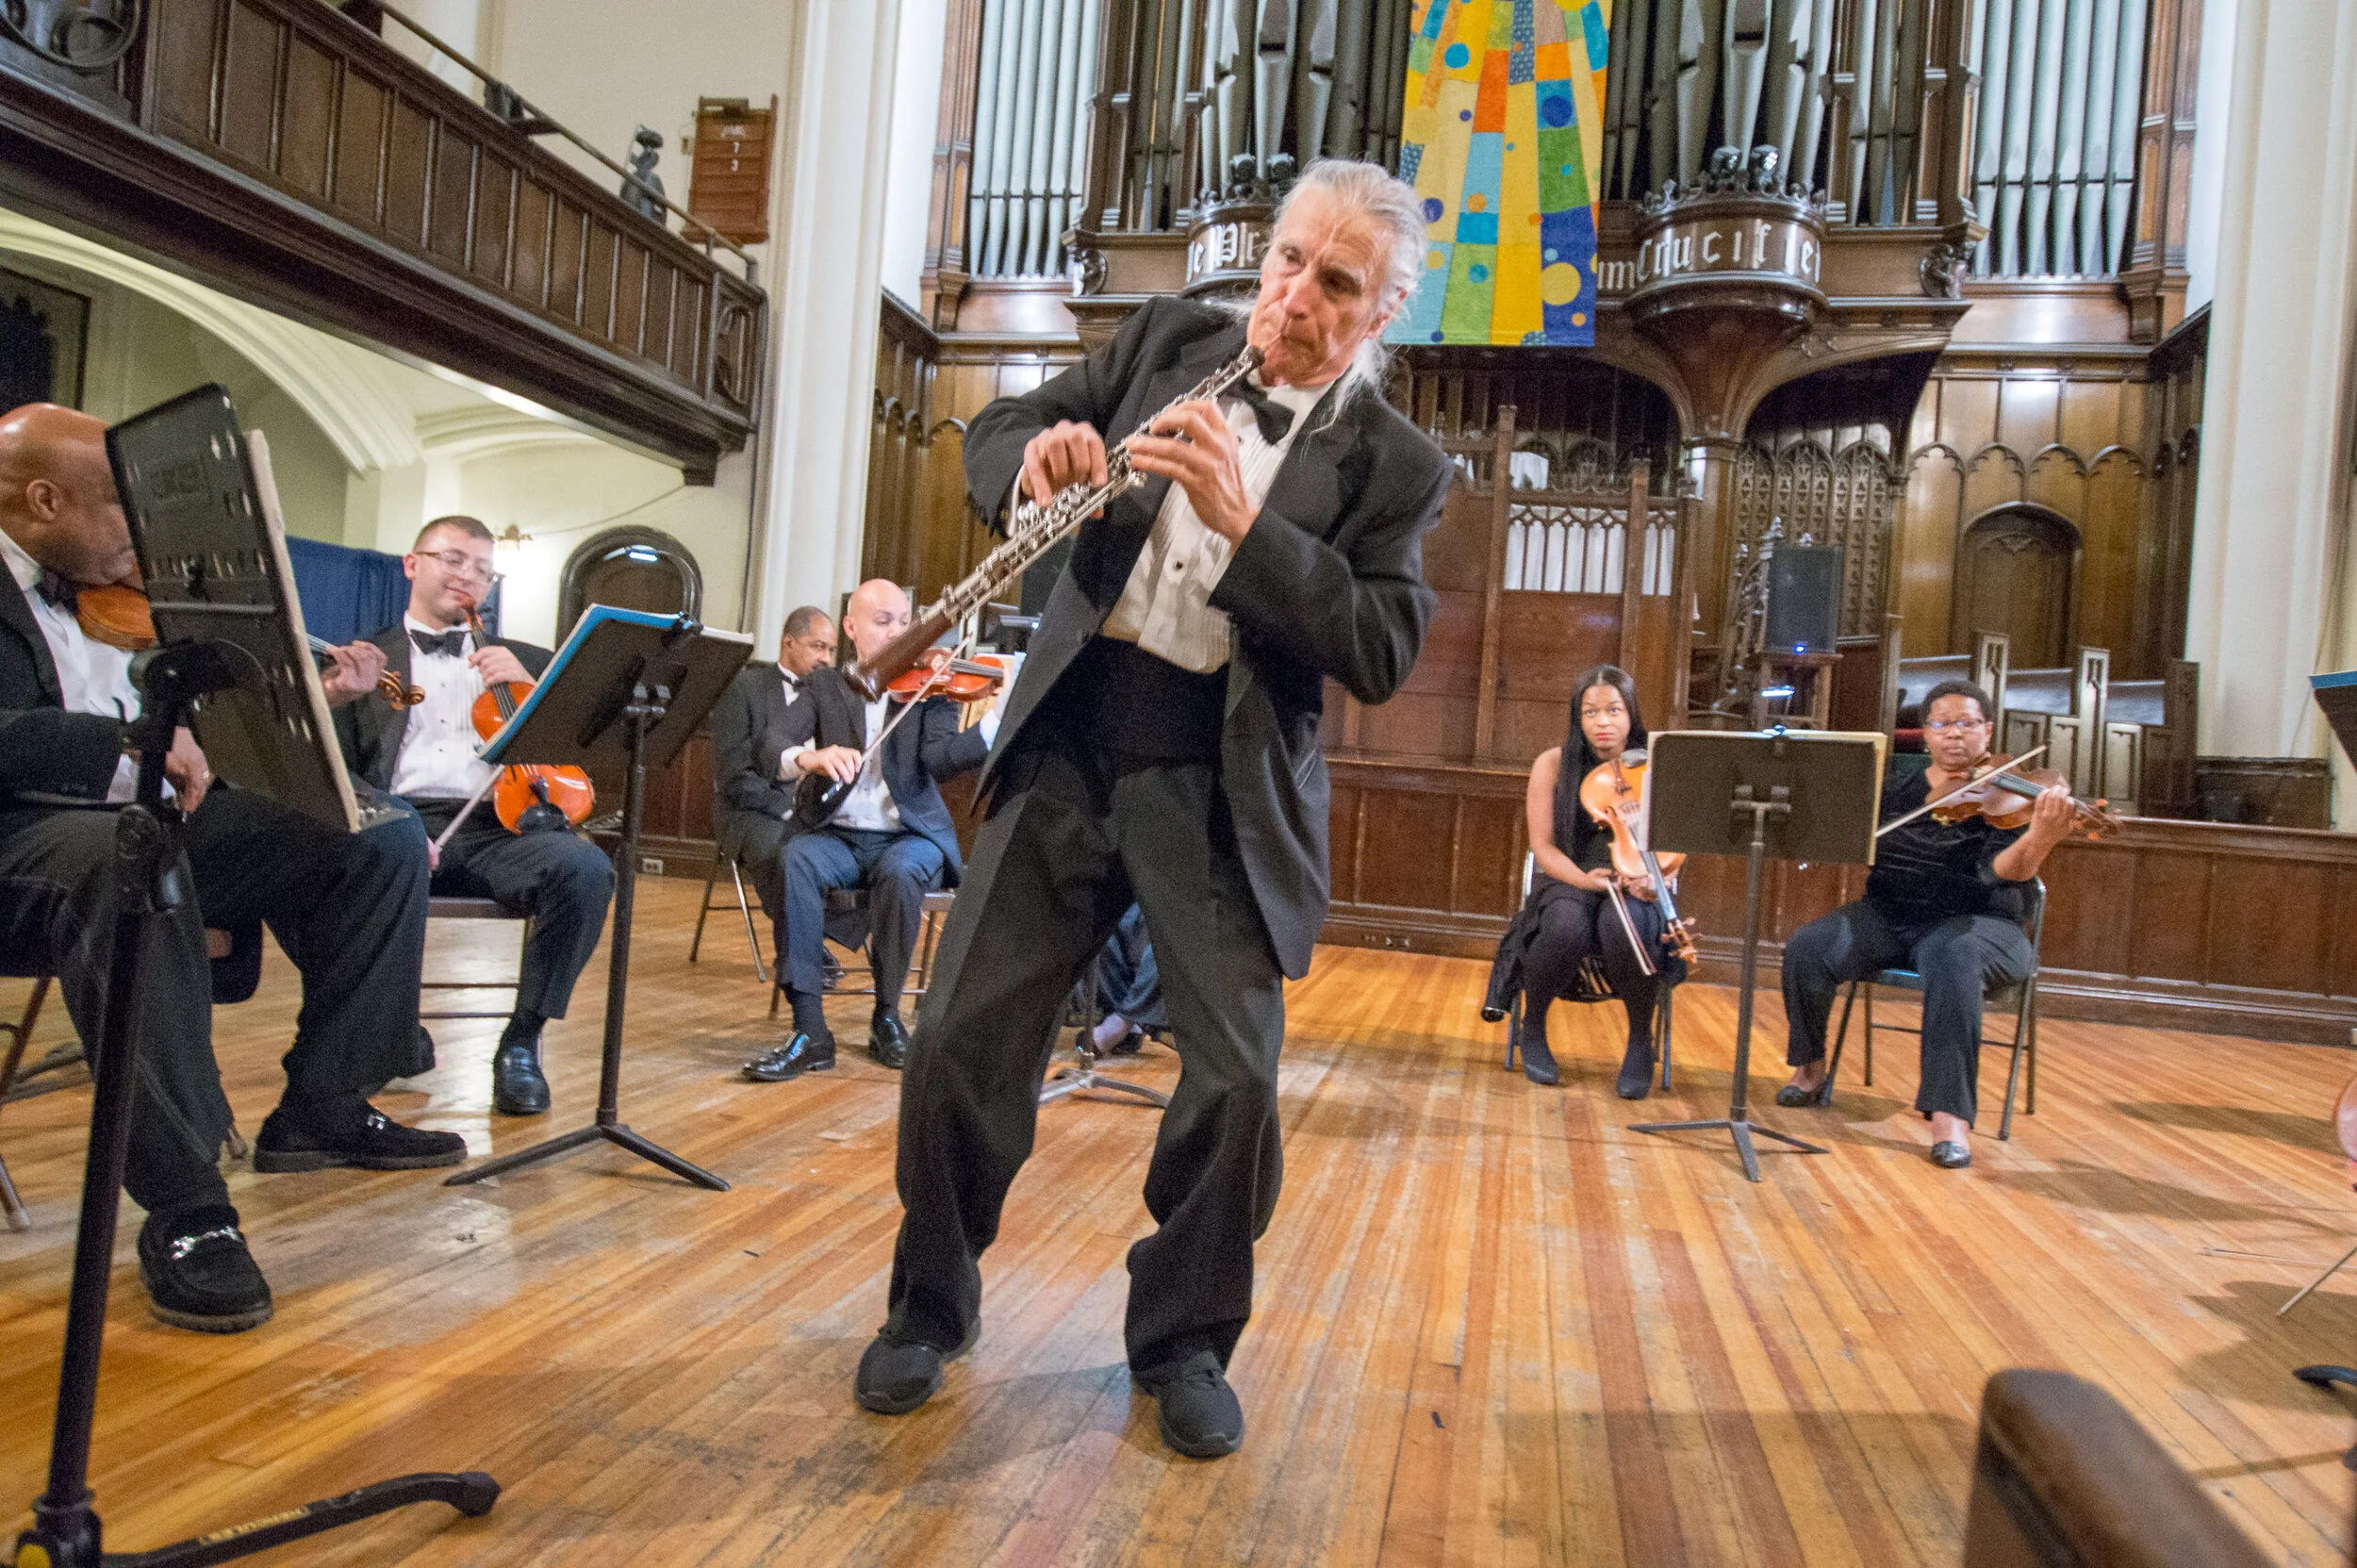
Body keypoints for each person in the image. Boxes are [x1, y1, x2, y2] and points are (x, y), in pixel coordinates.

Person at [853, 158, 1449, 1461]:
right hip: (1074, 735)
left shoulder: (1394, 463)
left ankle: (1182, 1340)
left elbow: (1381, 644)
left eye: (1333, 284)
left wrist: (1249, 530)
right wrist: (1037, 467)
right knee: (955, 1036)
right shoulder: (1167, 340)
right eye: (1288, 260)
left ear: (1381, 312)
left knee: (1235, 1081)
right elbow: (996, 429)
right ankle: (927, 1302)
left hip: (1218, 785)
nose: (1291, 299)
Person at [0, 404, 461, 1334]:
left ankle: (325, 1106)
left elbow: (215, 733)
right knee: (128, 858)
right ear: (43, 498)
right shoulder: (393, 639)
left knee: (373, 833)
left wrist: (322, 694)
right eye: (123, 516)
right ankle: (186, 1206)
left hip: (157, 814)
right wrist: (123, 746)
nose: (141, 543)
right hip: (30, 831)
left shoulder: (124, 593)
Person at [333, 516, 617, 1117]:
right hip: (397, 822)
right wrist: (392, 824)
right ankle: (374, 1036)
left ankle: (521, 1041)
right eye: (455, 560)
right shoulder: (362, 657)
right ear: (412, 564)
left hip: (501, 826)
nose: (469, 578)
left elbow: (580, 749)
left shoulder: (529, 659)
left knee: (586, 869)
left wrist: (534, 690)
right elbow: (336, 768)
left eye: (483, 570)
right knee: (343, 871)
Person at [1776, 678, 2073, 1168]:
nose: (1954, 734)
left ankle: (1949, 1116)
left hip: (1981, 925)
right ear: (1925, 734)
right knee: (1809, 946)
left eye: (1967, 723)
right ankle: (1809, 1068)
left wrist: (2041, 836)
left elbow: (2004, 873)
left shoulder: (2009, 796)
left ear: (1988, 730)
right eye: (1942, 724)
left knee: (1952, 956)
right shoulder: (1896, 784)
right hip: (1889, 914)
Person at [739, 579, 996, 1083]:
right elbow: (771, 743)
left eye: (906, 622)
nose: (899, 632)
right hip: (838, 835)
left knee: (902, 874)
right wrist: (809, 757)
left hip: (909, 835)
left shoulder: (929, 690)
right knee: (794, 860)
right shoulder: (825, 686)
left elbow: (940, 761)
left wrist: (994, 726)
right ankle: (810, 1031)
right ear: (853, 629)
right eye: (884, 622)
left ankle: (887, 1016)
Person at [1485, 666, 1684, 1097]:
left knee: (1624, 926)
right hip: (1569, 876)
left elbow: (1674, 846)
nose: (1603, 722)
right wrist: (1585, 880)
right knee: (1564, 926)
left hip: (1635, 879)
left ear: (1631, 713)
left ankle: (1639, 1039)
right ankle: (1532, 1024)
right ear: (1578, 718)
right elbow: (1543, 847)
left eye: (1614, 710)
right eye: (1591, 712)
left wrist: (1655, 879)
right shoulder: (1553, 764)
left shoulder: (1657, 764)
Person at [709, 604, 834, 964]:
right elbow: (733, 775)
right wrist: (786, 809)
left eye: (831, 650)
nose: (826, 658)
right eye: (817, 647)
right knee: (785, 851)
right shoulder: (743, 687)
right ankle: (800, 951)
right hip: (748, 810)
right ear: (788, 642)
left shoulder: (831, 695)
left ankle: (816, 935)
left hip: (811, 808)